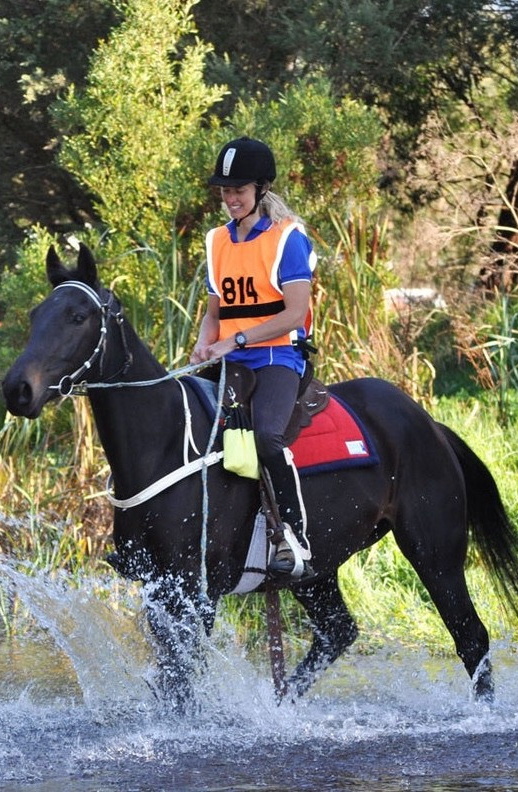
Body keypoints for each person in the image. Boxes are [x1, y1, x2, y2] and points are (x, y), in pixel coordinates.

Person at [190, 136, 316, 580]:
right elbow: (213, 315)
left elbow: (294, 314)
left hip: (279, 357)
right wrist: (201, 349)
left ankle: (294, 539)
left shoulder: (288, 240)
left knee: (265, 438)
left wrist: (235, 341)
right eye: (225, 191)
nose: (230, 199)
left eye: (238, 190)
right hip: (232, 359)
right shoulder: (216, 242)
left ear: (261, 189)